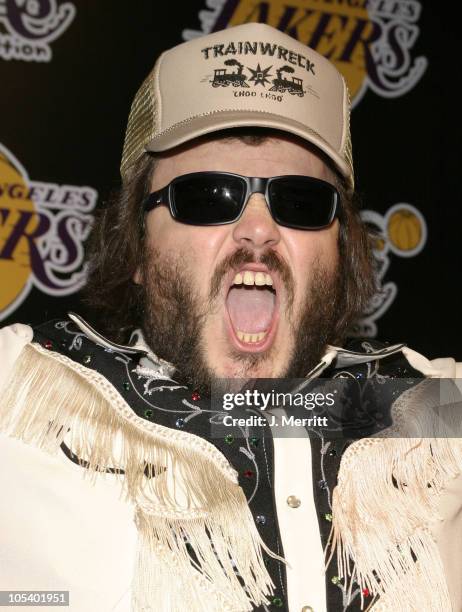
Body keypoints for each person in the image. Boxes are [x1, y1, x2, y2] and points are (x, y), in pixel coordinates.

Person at [1, 22, 461, 612]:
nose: (258, 229)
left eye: (299, 201)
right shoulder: (22, 389)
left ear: (342, 250)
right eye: (207, 196)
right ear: (136, 246)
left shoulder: (437, 412)